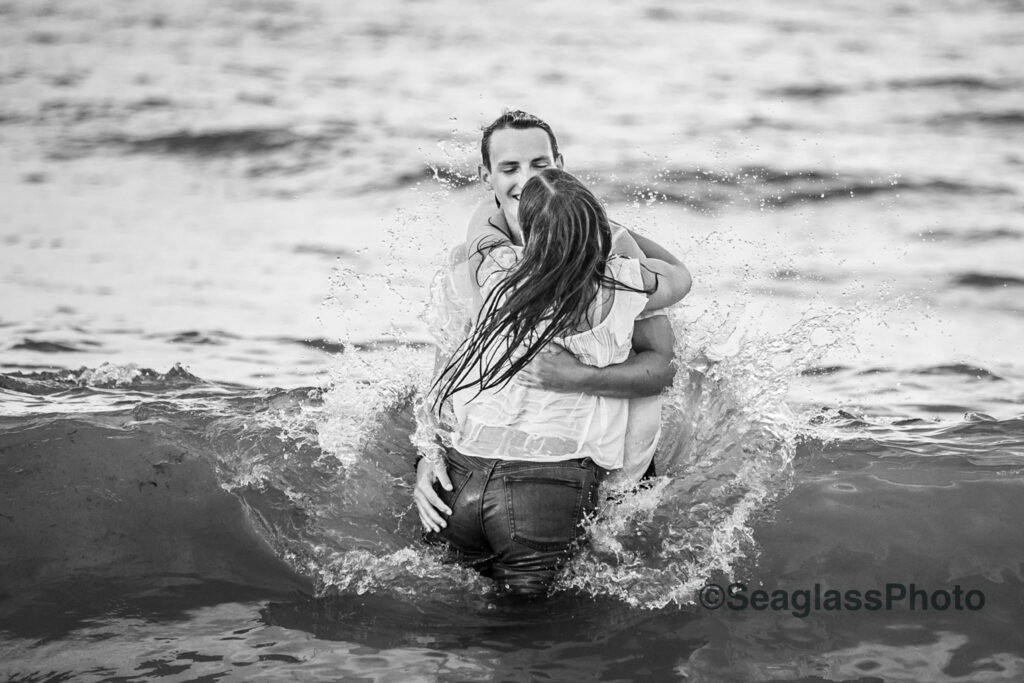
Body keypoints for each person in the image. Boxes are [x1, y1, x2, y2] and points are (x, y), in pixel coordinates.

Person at [415, 168, 691, 596]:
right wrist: (616, 229)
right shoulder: (619, 284)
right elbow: (680, 275)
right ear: (599, 230)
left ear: (528, 232)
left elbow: (479, 223)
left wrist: (507, 190)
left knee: (449, 605)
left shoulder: (494, 272)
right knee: (526, 633)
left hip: (462, 477)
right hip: (544, 491)